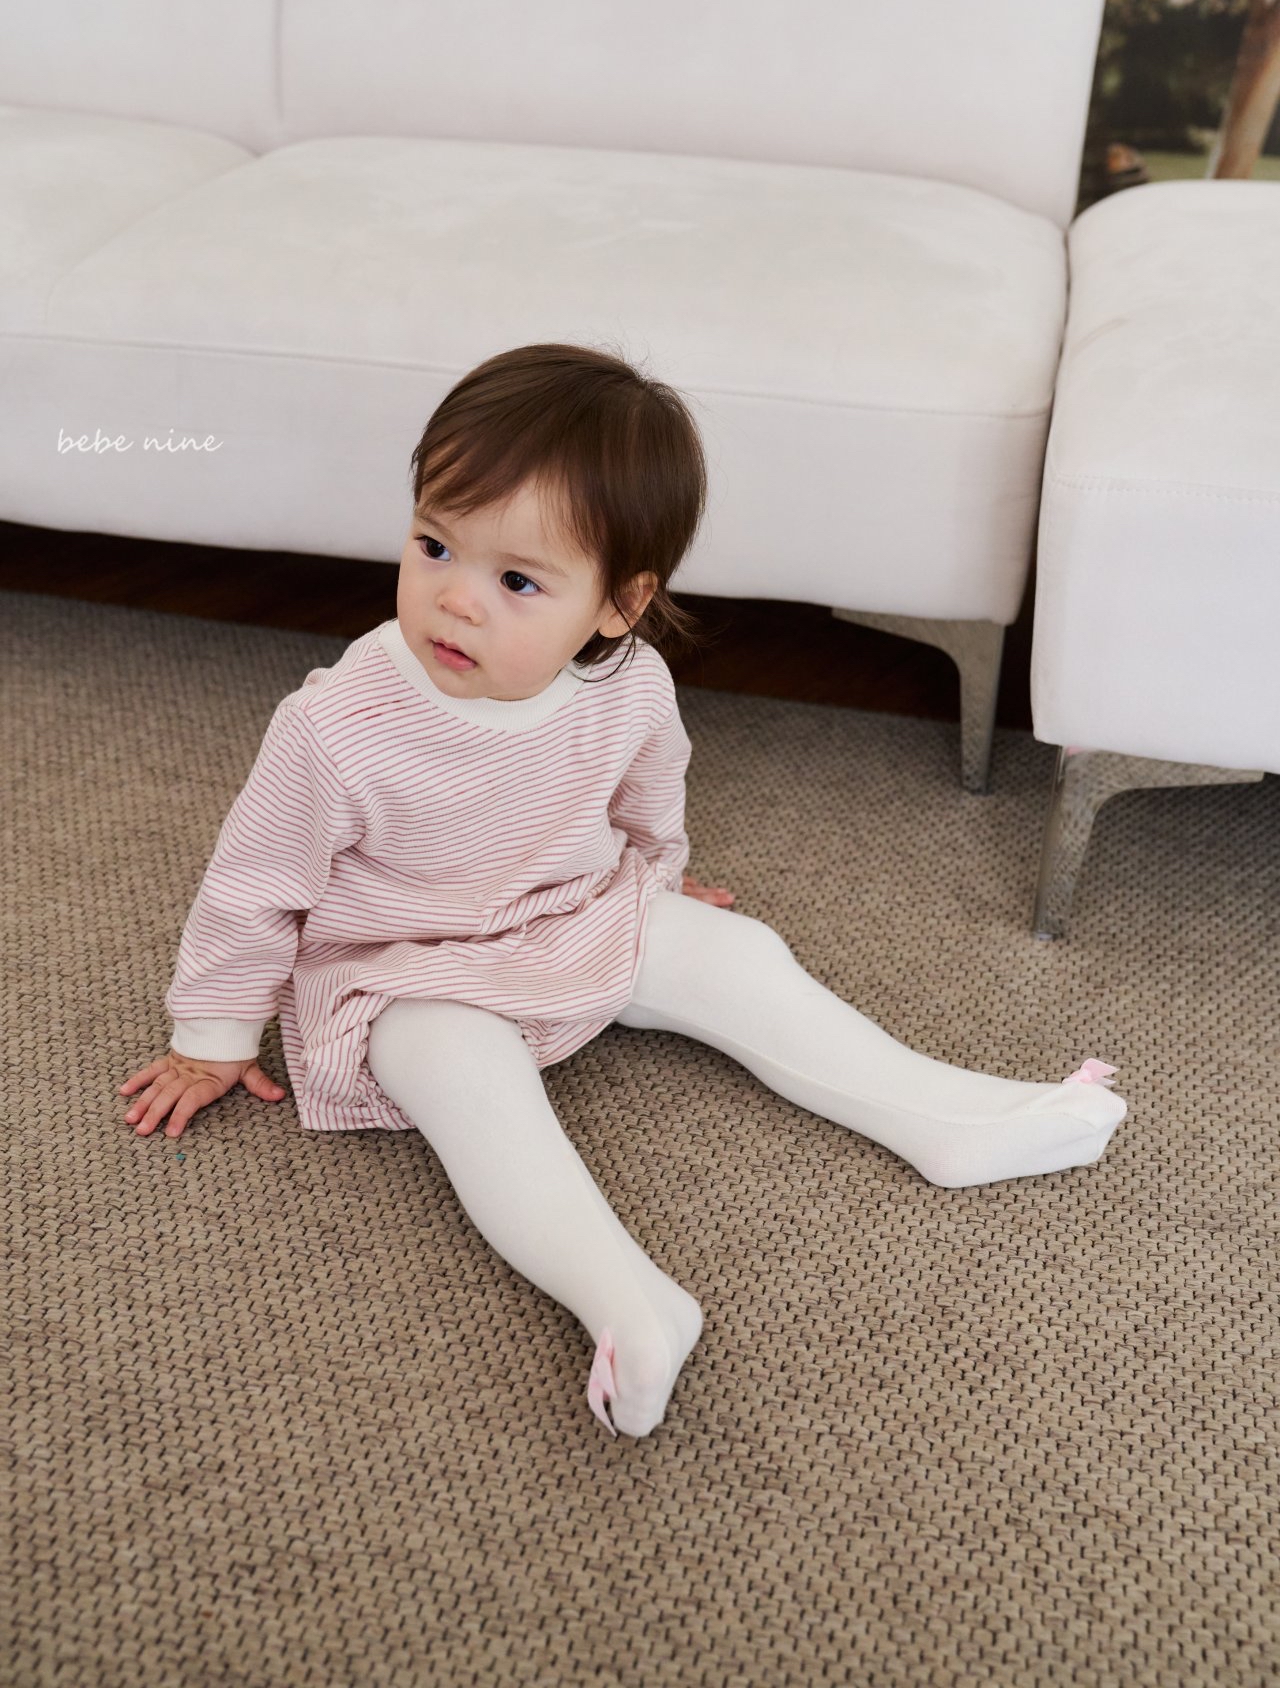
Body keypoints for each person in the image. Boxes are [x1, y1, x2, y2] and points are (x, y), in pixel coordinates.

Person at [118, 341, 1128, 1440]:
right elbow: (251, 887)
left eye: (515, 582)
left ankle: (947, 1113)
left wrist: (659, 881)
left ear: (617, 605)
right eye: (433, 546)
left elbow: (651, 792)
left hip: (570, 911)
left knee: (741, 959)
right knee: (466, 1079)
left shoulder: (632, 686)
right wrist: (212, 1037)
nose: (454, 600)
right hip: (401, 970)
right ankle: (627, 1303)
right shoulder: (335, 726)